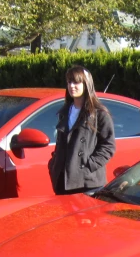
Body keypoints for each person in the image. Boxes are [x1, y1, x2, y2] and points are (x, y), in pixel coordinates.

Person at [49, 65, 116, 195]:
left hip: (87, 183)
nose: (71, 86)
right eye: (69, 82)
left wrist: (89, 165)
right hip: (62, 182)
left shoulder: (99, 114)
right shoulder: (65, 112)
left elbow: (108, 146)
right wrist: (53, 164)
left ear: (86, 84)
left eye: (76, 82)